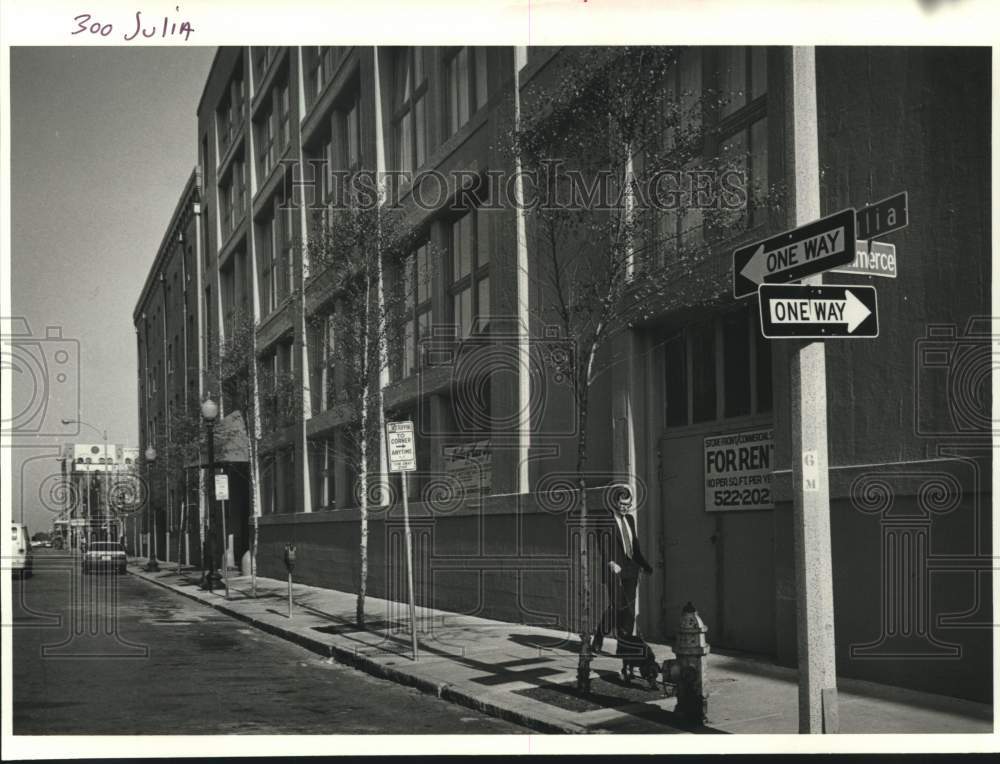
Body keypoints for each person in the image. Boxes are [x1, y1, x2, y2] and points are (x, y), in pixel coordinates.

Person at [592, 484, 653, 655]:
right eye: (622, 504)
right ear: (614, 502)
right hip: (615, 569)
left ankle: (623, 646)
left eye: (628, 504)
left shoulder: (630, 520)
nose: (625, 508)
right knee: (617, 606)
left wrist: (645, 565)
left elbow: (635, 547)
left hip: (631, 569)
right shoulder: (605, 519)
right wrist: (610, 562)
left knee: (629, 609)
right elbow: (602, 544)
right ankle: (599, 635)